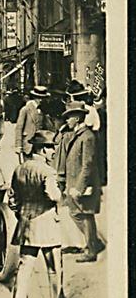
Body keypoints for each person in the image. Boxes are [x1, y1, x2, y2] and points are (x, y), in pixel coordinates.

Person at [10, 129, 74, 298]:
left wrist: (21, 213)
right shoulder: (48, 172)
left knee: (24, 271)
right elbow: (54, 196)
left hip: (26, 225)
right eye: (50, 148)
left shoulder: (19, 169)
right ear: (42, 149)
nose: (53, 152)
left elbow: (12, 199)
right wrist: (62, 194)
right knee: (54, 267)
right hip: (46, 224)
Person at [56, 101, 104, 263]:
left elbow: (87, 164)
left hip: (84, 184)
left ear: (76, 118)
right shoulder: (78, 135)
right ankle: (94, 243)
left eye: (69, 118)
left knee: (84, 215)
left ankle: (92, 249)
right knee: (77, 213)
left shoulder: (87, 137)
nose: (67, 121)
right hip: (75, 182)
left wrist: (79, 186)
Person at [15, 85, 50, 162]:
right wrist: (18, 145)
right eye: (38, 98)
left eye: (42, 98)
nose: (40, 100)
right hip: (28, 143)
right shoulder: (25, 109)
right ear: (34, 97)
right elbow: (19, 128)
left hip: (39, 143)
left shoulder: (42, 110)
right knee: (28, 166)